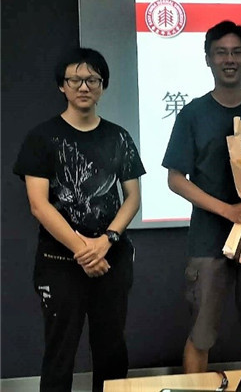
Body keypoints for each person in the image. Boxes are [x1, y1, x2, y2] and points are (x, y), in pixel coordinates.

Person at [13, 47, 146, 391]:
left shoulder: (119, 137)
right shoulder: (41, 137)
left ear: (103, 86)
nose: (84, 87)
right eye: (75, 80)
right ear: (62, 85)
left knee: (112, 350)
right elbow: (39, 205)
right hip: (59, 261)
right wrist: (83, 250)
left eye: (92, 80)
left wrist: (106, 241)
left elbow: (133, 197)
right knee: (60, 353)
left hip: (111, 258)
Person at [162, 20, 241, 373]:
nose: (229, 60)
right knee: (201, 337)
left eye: (237, 52)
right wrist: (227, 210)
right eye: (221, 53)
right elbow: (175, 180)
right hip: (208, 240)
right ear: (208, 59)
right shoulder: (192, 114)